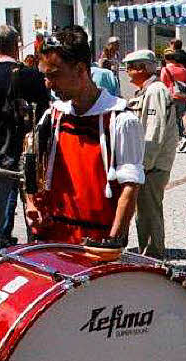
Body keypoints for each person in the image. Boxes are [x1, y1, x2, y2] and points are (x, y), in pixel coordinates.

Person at [25, 27, 143, 246]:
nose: (48, 84)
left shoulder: (120, 119)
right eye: (45, 76)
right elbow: (32, 167)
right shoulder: (53, 116)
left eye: (54, 75)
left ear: (80, 69)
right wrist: (31, 203)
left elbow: (130, 187)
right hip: (54, 241)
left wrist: (112, 243)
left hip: (96, 245)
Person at [0, 25, 49, 255]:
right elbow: (46, 117)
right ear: (17, 45)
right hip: (32, 150)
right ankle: (40, 254)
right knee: (34, 208)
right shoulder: (35, 77)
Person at [124, 49, 178, 259]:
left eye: (130, 67)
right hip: (149, 164)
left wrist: (143, 165)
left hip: (153, 166)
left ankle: (153, 257)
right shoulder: (147, 90)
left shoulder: (155, 90)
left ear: (142, 69)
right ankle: (148, 255)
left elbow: (154, 131)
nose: (127, 71)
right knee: (145, 212)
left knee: (149, 213)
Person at [160, 51, 186, 147]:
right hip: (182, 96)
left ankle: (178, 138)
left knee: (172, 118)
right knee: (184, 114)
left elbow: (163, 84)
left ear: (166, 59)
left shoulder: (165, 70)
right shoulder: (183, 69)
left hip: (170, 96)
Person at [168, 39, 186, 144]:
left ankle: (178, 136)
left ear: (172, 45)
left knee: (173, 114)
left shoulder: (171, 58)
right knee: (185, 112)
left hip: (173, 89)